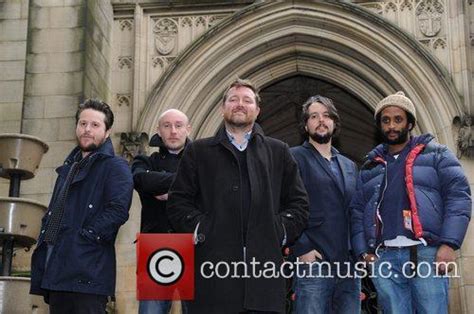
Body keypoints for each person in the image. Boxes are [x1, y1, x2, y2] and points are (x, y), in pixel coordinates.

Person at [166, 78, 309, 313]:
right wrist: (202, 229)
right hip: (212, 273)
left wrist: (279, 230)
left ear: (257, 110)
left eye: (247, 100)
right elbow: (177, 202)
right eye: (233, 99)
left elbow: (299, 204)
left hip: (263, 275)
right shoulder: (198, 151)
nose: (239, 104)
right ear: (223, 108)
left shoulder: (278, 151)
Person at [350, 91, 472, 313]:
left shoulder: (437, 155)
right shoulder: (370, 166)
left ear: (410, 123)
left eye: (398, 119)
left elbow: (458, 197)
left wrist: (449, 243)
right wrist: (364, 254)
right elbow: (357, 211)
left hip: (427, 254)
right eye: (385, 121)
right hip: (384, 257)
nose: (392, 126)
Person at [30, 99, 134, 313]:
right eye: (83, 123)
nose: (87, 129)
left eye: (95, 125)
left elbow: (118, 211)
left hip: (88, 272)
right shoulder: (67, 170)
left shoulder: (116, 167)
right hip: (56, 271)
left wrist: (85, 236)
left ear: (107, 132)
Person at [290, 95, 360, 313]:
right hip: (313, 261)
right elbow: (283, 205)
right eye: (314, 116)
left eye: (327, 115)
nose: (321, 120)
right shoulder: (293, 157)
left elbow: (356, 210)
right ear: (305, 124)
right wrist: (302, 247)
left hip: (348, 265)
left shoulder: (349, 165)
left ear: (334, 122)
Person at [132, 109, 191, 314]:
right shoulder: (146, 161)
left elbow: (212, 186)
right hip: (156, 243)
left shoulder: (202, 161)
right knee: (151, 310)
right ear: (159, 130)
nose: (173, 131)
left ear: (188, 129)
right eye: (167, 126)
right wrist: (187, 187)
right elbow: (141, 180)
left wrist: (165, 188)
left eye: (178, 125)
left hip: (196, 243)